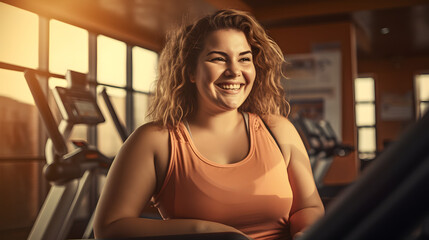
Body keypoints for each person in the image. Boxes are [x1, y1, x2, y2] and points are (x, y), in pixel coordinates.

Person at [93, 9, 324, 240]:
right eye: (218, 58)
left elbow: (308, 207)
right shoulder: (155, 140)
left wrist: (304, 233)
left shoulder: (279, 130)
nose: (234, 71)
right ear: (191, 71)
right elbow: (110, 228)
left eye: (244, 59)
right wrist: (209, 232)